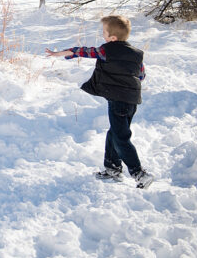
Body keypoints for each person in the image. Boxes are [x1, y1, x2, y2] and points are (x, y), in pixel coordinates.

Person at [45, 15, 154, 189]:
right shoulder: (137, 53)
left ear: (113, 38)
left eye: (104, 32)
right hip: (131, 100)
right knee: (115, 132)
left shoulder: (106, 50)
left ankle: (139, 173)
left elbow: (84, 51)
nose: (102, 35)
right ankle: (112, 168)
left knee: (121, 137)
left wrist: (61, 53)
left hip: (119, 100)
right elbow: (141, 75)